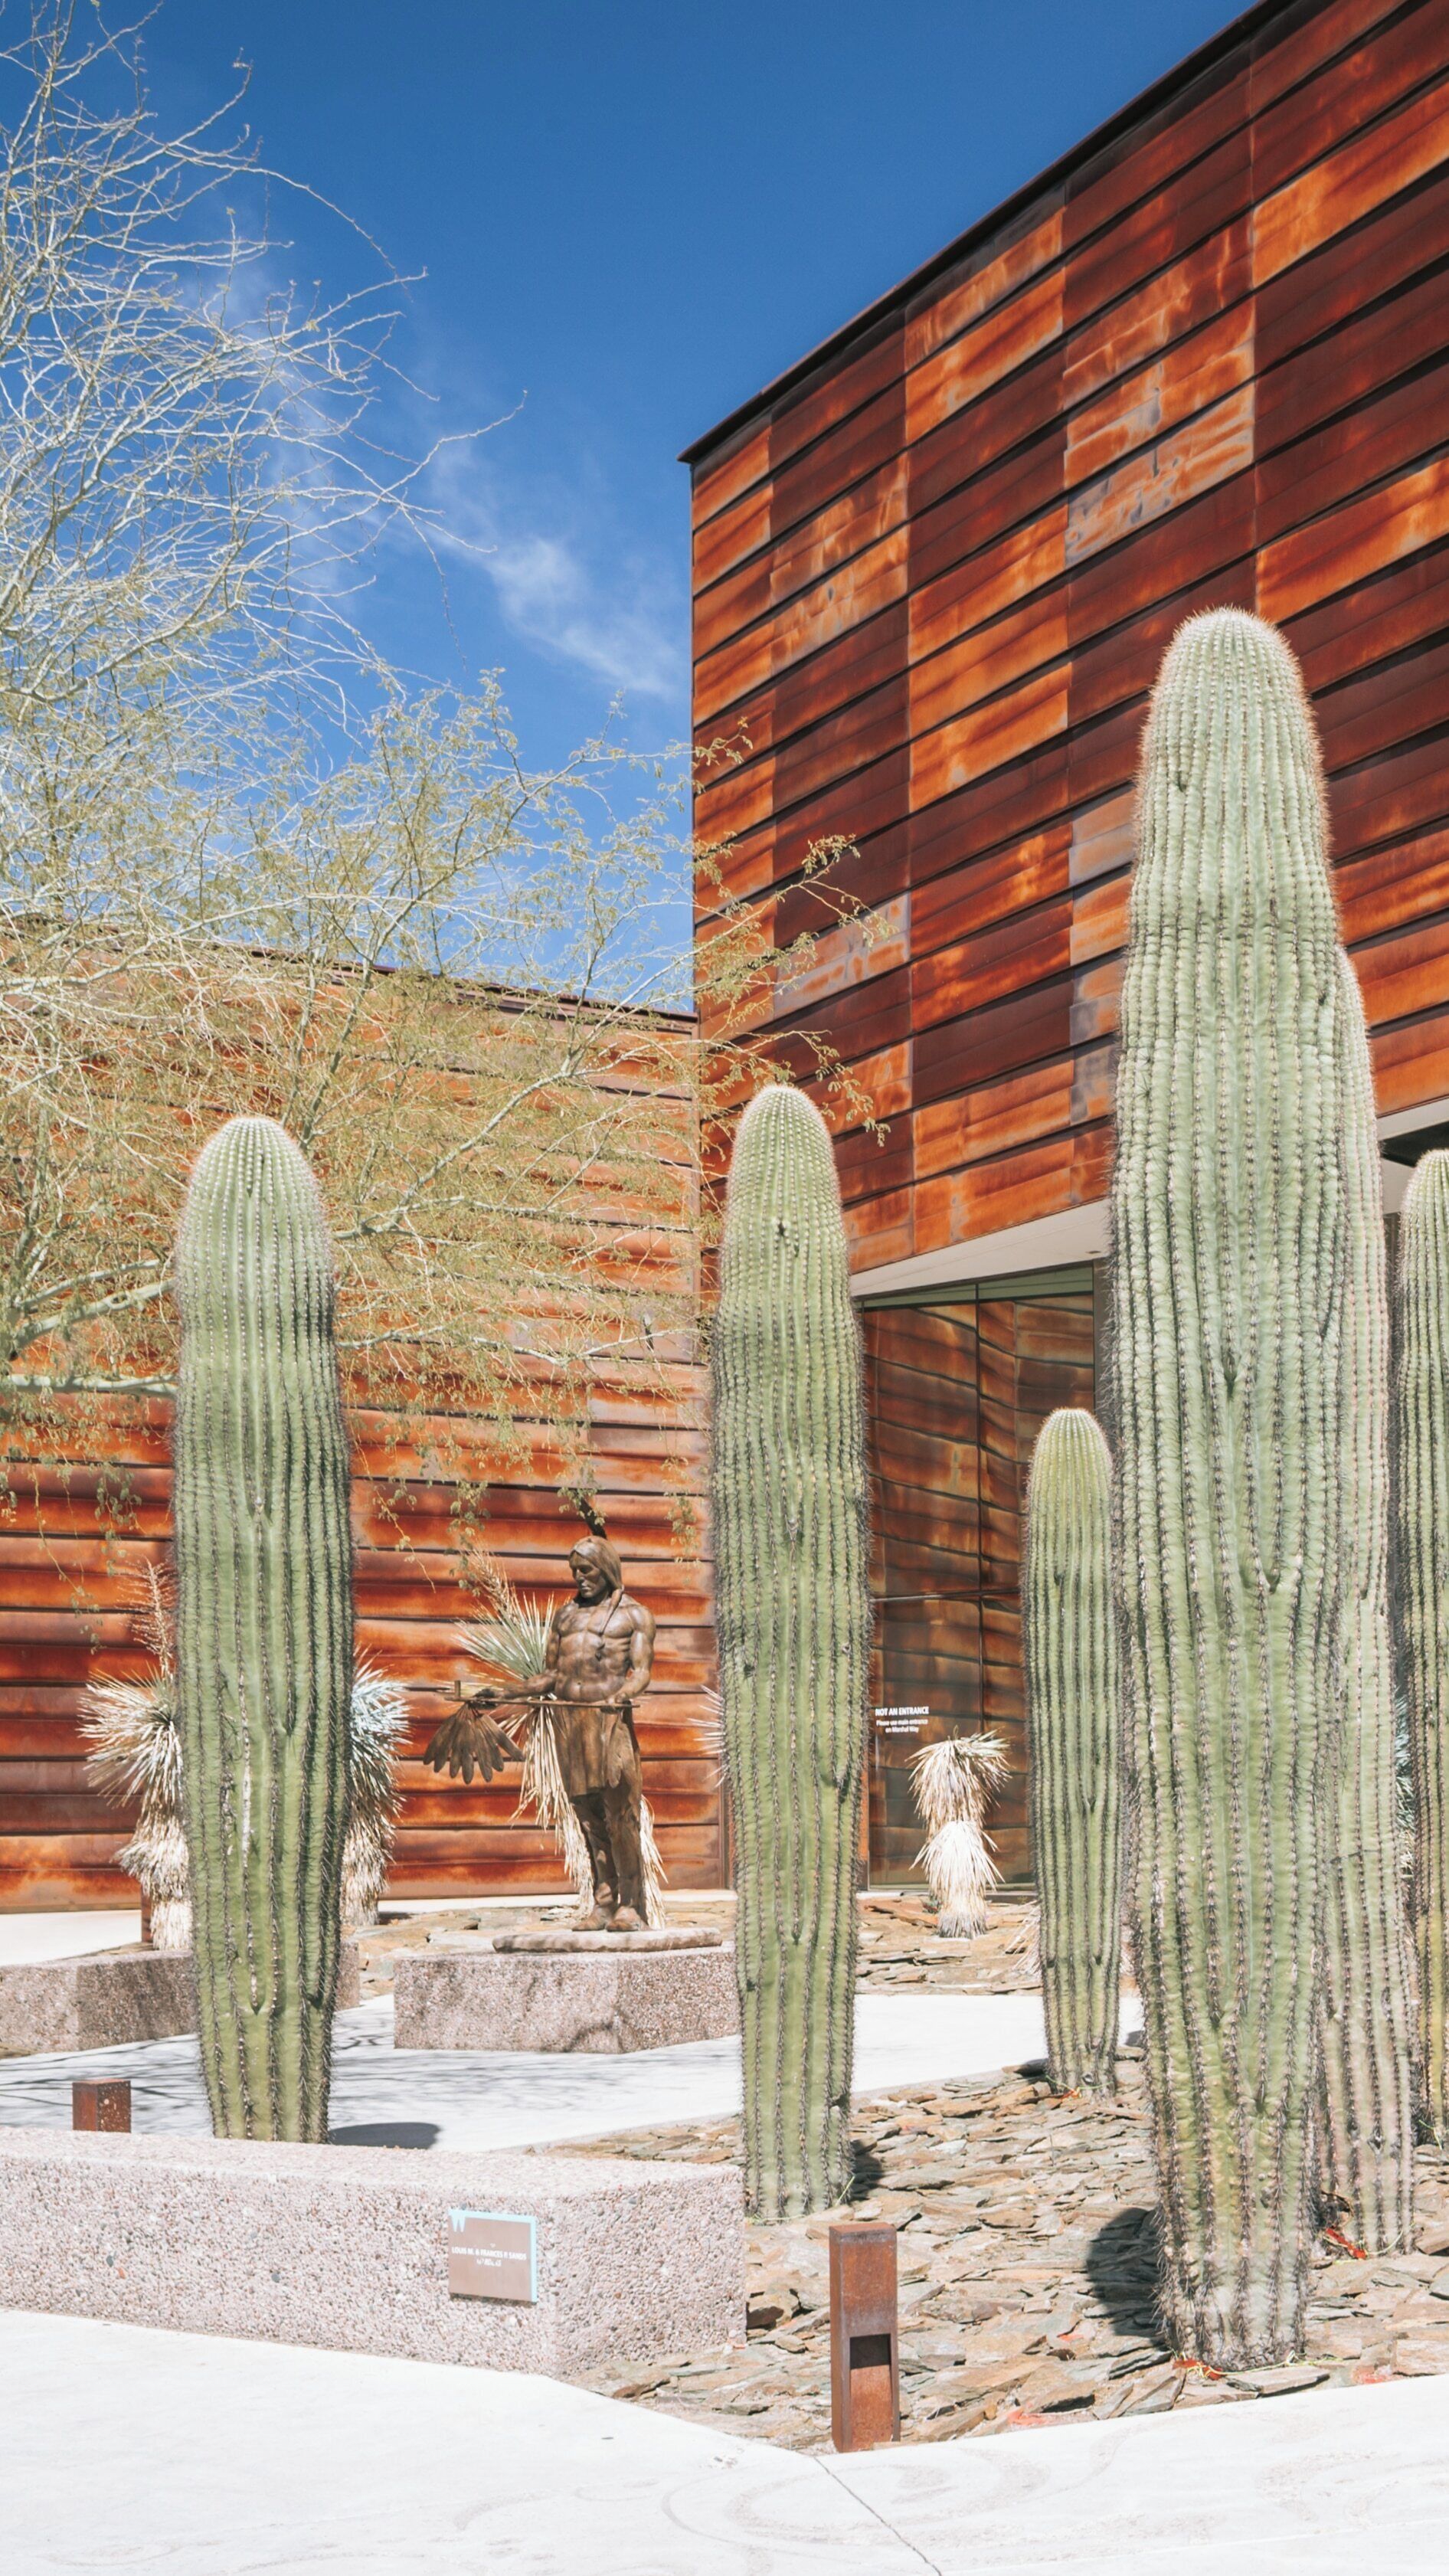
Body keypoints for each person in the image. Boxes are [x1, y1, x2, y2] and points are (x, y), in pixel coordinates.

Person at [424, 1535, 656, 1930]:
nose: (580, 1578)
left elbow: (642, 1672)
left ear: (607, 1568)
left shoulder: (635, 1616)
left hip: (609, 1723)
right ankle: (604, 1902)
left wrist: (623, 1694)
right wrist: (504, 1692)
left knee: (621, 1816)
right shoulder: (565, 1617)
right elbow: (550, 1675)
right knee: (588, 1819)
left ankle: (631, 1905)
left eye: (587, 1571)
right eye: (575, 1572)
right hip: (571, 1725)